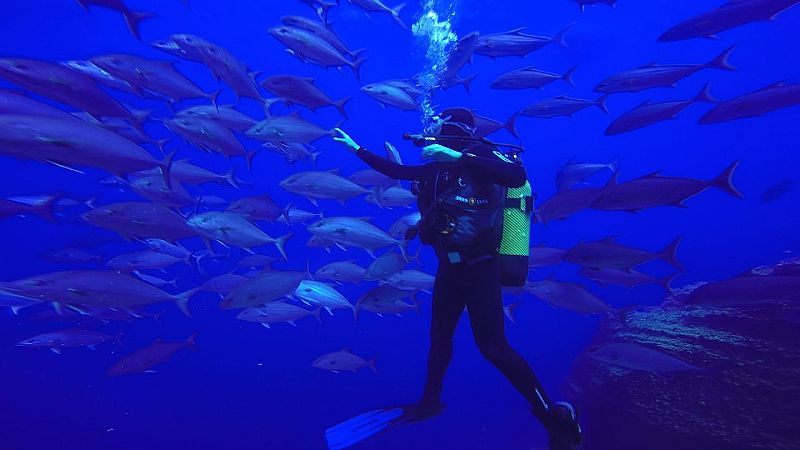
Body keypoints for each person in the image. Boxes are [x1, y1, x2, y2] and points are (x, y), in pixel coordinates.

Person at [326, 111, 583, 450]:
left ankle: (552, 415)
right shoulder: (438, 167)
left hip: (481, 267)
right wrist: (355, 147)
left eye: (436, 125)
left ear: (453, 128)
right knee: (439, 338)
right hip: (450, 267)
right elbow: (398, 171)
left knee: (493, 348)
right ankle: (430, 401)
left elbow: (515, 175)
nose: (430, 132)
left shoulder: (480, 153)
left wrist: (458, 155)